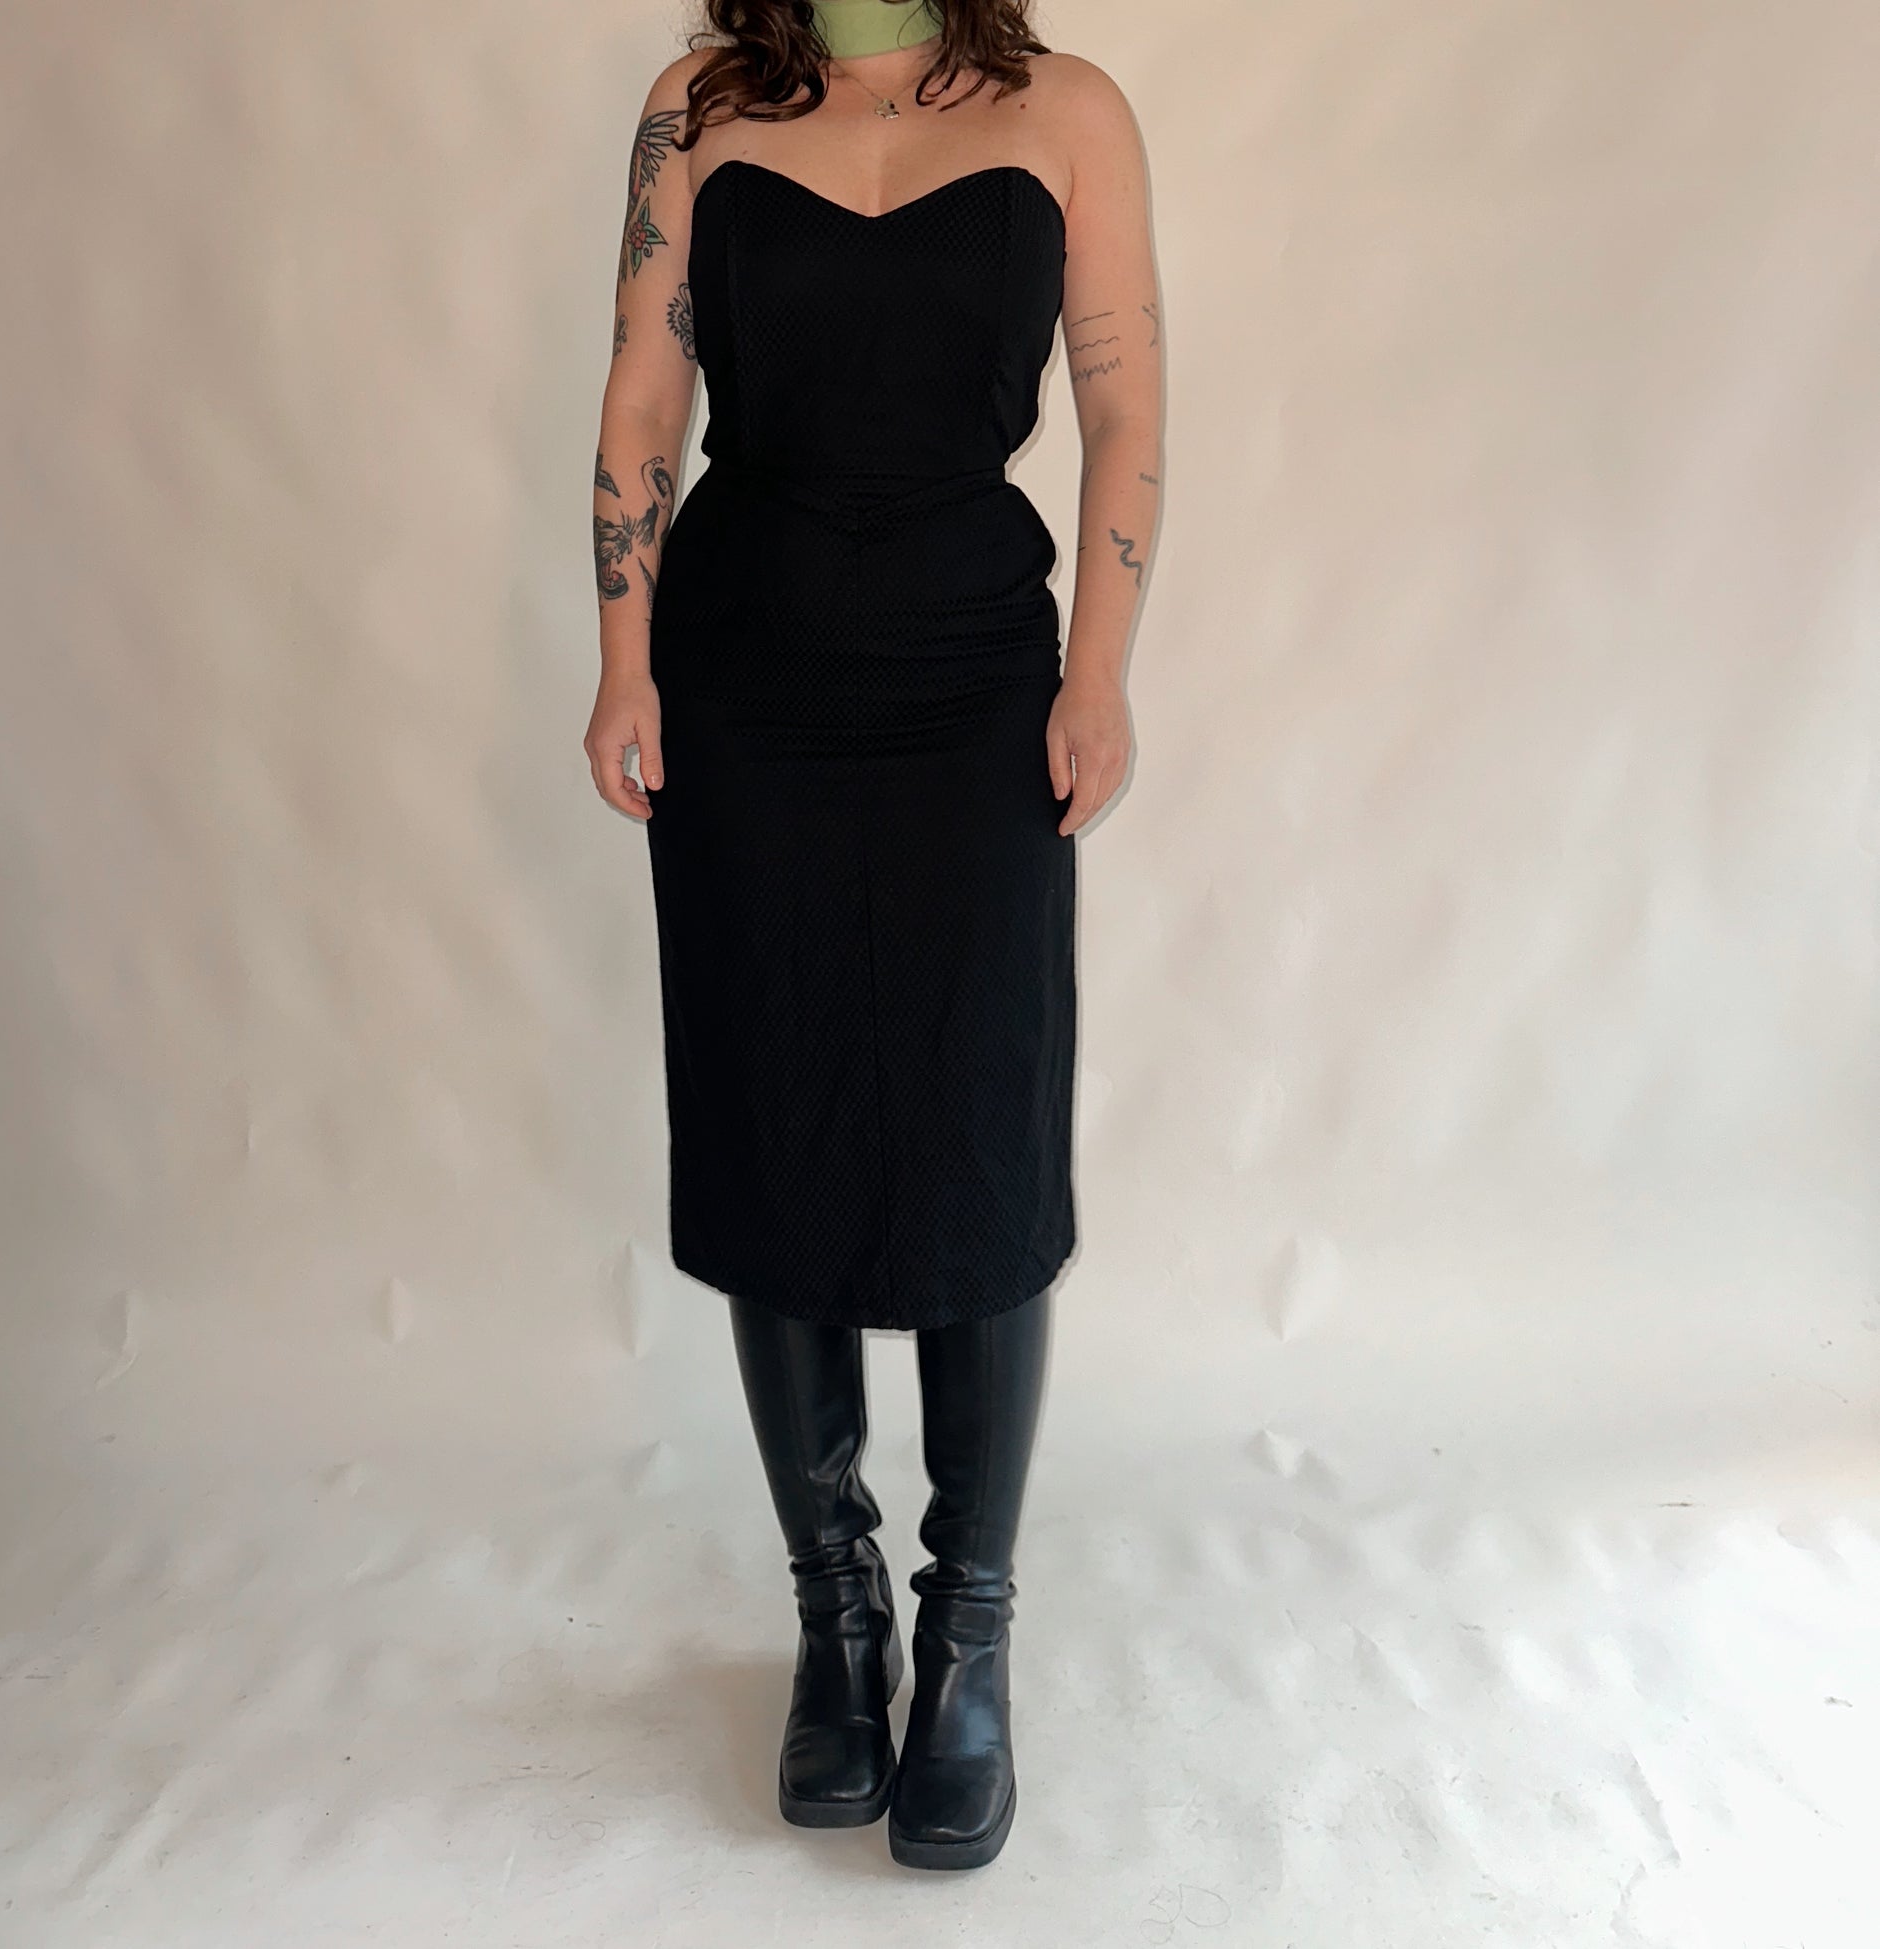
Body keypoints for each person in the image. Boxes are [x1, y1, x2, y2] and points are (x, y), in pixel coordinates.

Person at [586, 0, 1159, 1870]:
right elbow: (643, 396)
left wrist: (1097, 674)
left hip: (973, 681)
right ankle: (837, 1620)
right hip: (741, 678)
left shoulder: (1067, 109)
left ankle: (966, 1628)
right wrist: (622, 663)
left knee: (979, 1127)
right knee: (779, 1116)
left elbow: (1124, 402)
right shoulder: (697, 107)